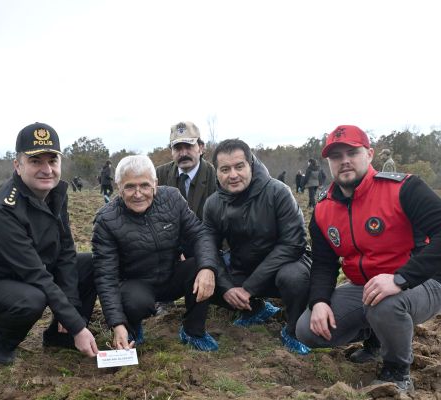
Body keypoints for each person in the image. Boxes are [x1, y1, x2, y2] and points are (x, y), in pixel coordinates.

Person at [295, 125, 441, 393]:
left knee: (386, 305)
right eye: (336, 156)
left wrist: (401, 278)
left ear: (369, 154)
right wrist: (319, 301)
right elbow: (323, 263)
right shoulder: (323, 208)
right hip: (365, 288)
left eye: (352, 153)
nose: (344, 161)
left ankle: (397, 371)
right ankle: (376, 340)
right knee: (307, 329)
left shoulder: (404, 189)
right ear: (328, 163)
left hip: (420, 284)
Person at [0, 122, 99, 365]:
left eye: (52, 161)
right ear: (18, 165)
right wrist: (79, 327)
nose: (47, 169)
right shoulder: (3, 211)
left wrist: (72, 313)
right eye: (35, 161)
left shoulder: (55, 194)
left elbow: (65, 253)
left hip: (28, 273)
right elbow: (36, 275)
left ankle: (59, 337)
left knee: (88, 264)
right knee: (32, 298)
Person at [92, 155, 220, 351]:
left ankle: (193, 331)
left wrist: (207, 268)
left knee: (201, 265)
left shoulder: (172, 198)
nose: (138, 194)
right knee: (136, 302)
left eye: (144, 185)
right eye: (129, 187)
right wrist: (117, 323)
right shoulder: (106, 220)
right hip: (135, 284)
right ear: (119, 187)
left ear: (155, 184)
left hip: (170, 275)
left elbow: (200, 234)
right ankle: (131, 327)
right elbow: (105, 277)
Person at [204, 139, 312, 355]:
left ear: (250, 164)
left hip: (288, 265)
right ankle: (256, 309)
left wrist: (248, 288)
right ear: (217, 172)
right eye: (225, 169)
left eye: (239, 166)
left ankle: (293, 330)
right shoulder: (213, 204)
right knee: (204, 278)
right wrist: (226, 287)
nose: (233, 175)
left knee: (293, 278)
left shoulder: (278, 192)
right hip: (244, 268)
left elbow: (294, 243)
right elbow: (208, 249)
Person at [155, 121, 218, 221]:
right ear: (171, 151)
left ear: (201, 148)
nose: (183, 153)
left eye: (189, 146)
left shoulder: (215, 176)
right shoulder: (159, 175)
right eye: (177, 148)